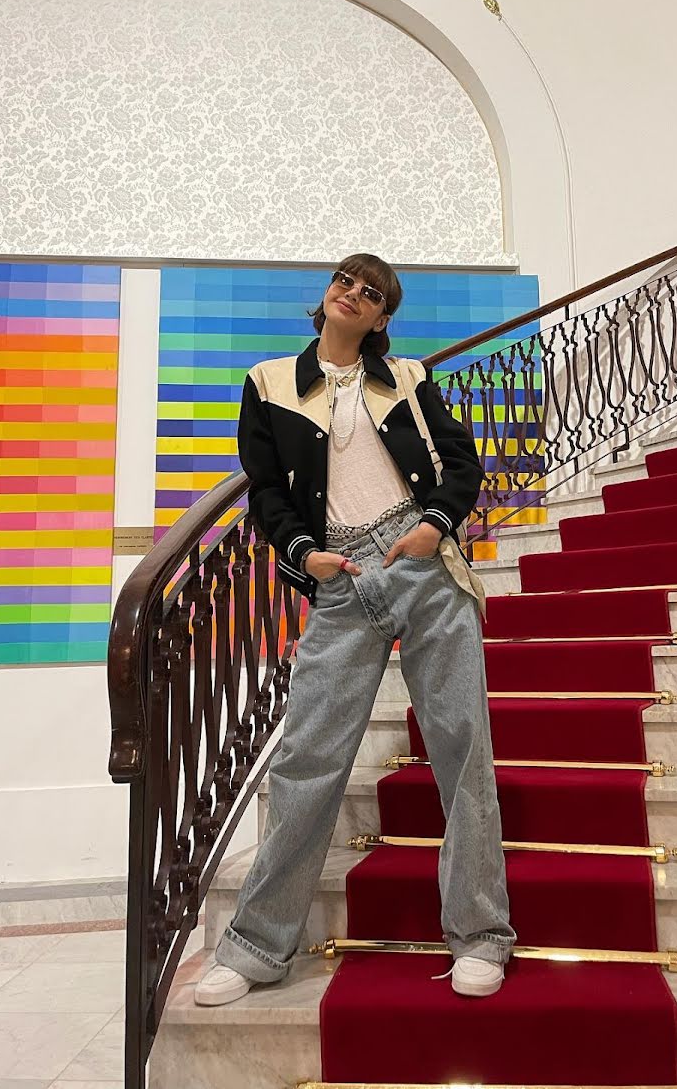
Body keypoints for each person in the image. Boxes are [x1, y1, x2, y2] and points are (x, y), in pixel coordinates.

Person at [195, 254, 516, 1006]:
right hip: (340, 578)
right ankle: (256, 945)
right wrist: (305, 553)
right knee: (306, 759)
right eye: (346, 281)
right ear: (328, 293)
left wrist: (435, 525)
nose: (354, 294)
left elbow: (460, 463)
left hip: (421, 563)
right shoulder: (270, 382)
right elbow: (267, 492)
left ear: (381, 318)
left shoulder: (405, 378)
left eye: (372, 293)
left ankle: (480, 934)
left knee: (462, 747)